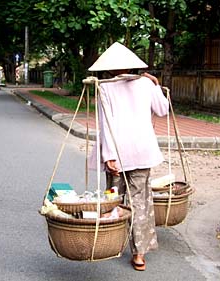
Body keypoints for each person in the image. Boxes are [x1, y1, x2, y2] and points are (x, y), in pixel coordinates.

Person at [88, 42, 169, 271]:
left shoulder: (104, 86)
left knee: (114, 199)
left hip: (118, 152)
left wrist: (108, 156)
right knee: (140, 202)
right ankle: (139, 253)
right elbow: (163, 110)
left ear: (109, 68)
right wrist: (156, 85)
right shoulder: (146, 84)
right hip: (142, 151)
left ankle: (111, 243)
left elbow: (106, 124)